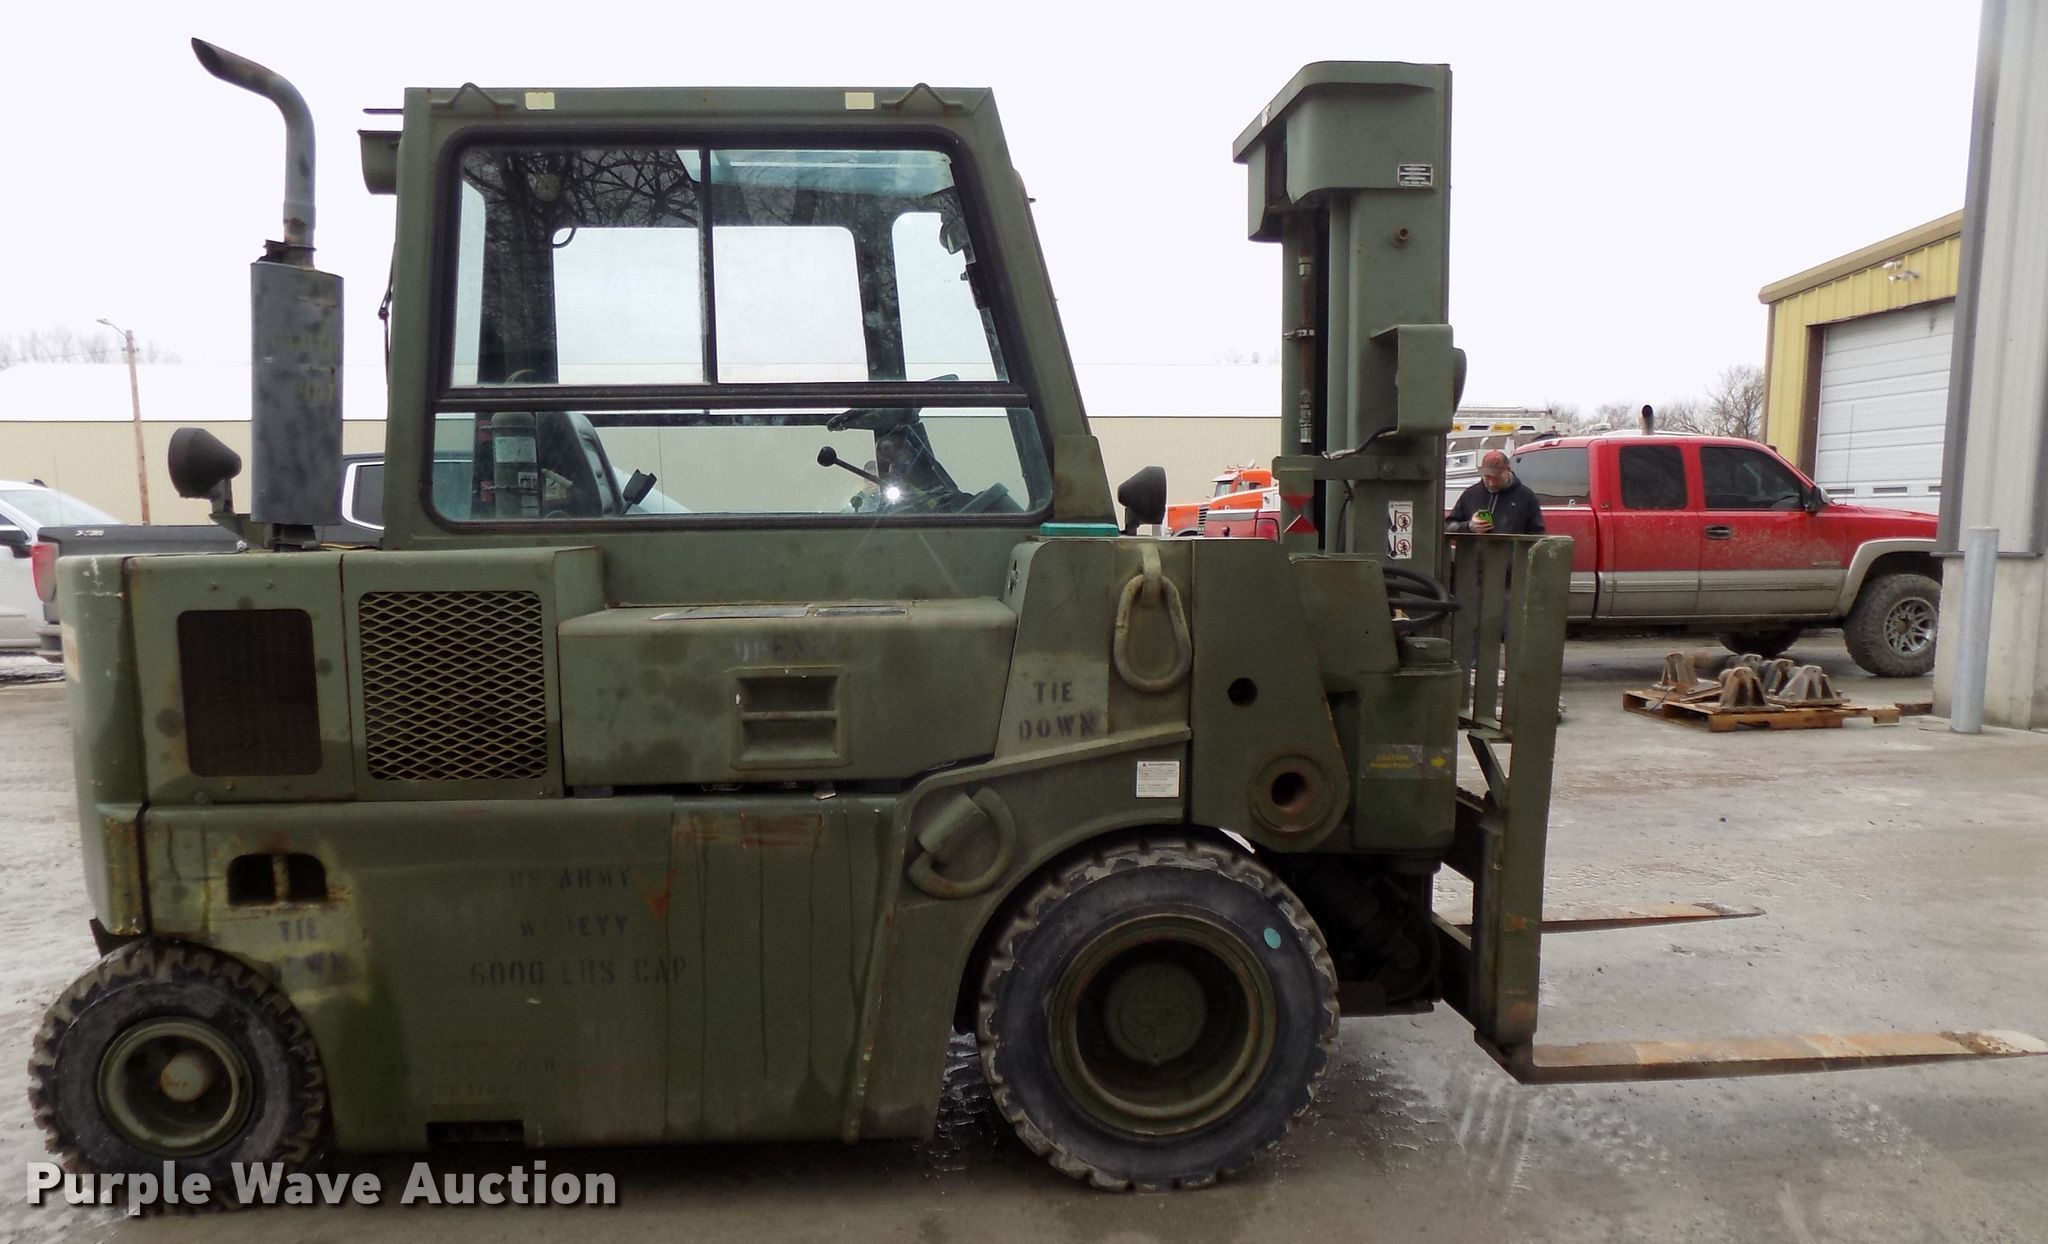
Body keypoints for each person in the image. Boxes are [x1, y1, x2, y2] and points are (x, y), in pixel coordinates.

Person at [1448, 450, 1544, 535]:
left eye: (1497, 478)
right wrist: (1469, 527)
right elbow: (1447, 526)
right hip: (1474, 555)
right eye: (1487, 477)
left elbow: (1537, 534)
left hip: (1510, 555)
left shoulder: (1526, 496)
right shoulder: (1470, 494)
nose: (1492, 483)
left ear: (1508, 471)